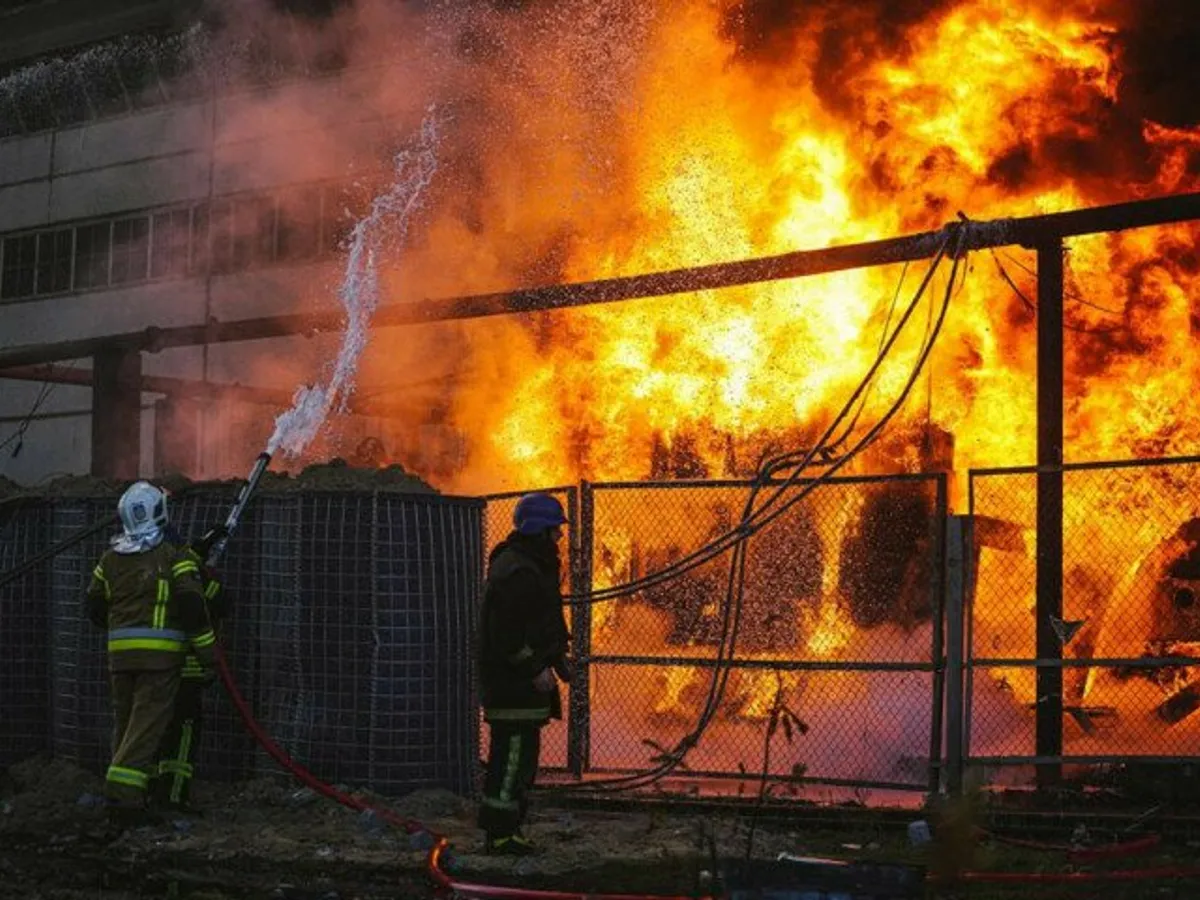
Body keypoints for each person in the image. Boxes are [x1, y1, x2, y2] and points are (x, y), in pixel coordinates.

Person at [85, 481, 218, 829]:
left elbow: (94, 607)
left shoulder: (109, 559)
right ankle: (123, 798)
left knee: (126, 726)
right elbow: (192, 608)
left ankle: (126, 795)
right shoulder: (173, 556)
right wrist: (208, 656)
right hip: (159, 662)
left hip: (119, 660)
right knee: (145, 728)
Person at [477, 492, 572, 856]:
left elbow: (542, 622)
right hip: (512, 687)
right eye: (555, 530)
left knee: (520, 762)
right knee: (511, 761)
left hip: (519, 688)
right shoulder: (518, 571)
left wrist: (559, 662)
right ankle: (500, 835)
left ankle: (510, 829)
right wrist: (534, 669)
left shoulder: (529, 566)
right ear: (539, 530)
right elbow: (507, 635)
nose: (559, 538)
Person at [151, 522, 229, 814]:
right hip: (186, 670)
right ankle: (173, 797)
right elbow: (219, 603)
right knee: (183, 734)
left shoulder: (142, 570)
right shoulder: (188, 575)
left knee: (152, 731)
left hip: (152, 671)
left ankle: (149, 793)